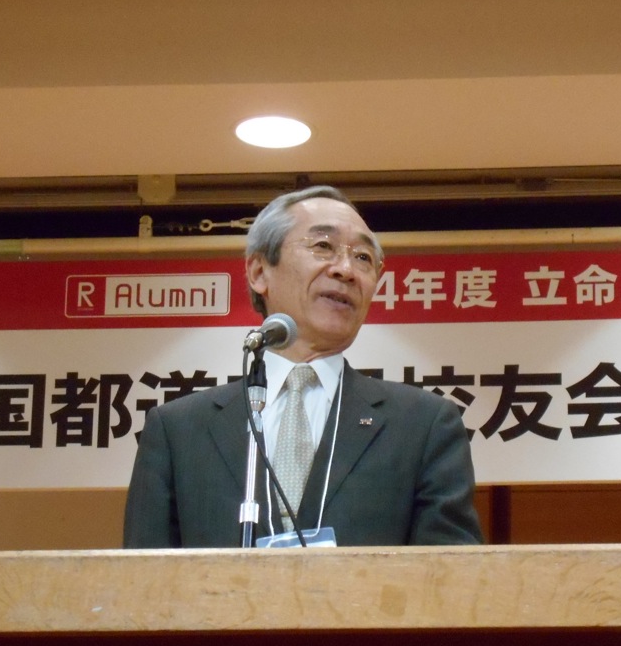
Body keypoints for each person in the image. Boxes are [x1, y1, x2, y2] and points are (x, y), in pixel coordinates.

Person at [123, 185, 484, 548]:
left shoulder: (423, 425)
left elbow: (452, 574)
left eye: (362, 257)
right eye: (323, 246)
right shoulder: (178, 430)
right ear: (259, 272)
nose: (346, 270)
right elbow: (141, 576)